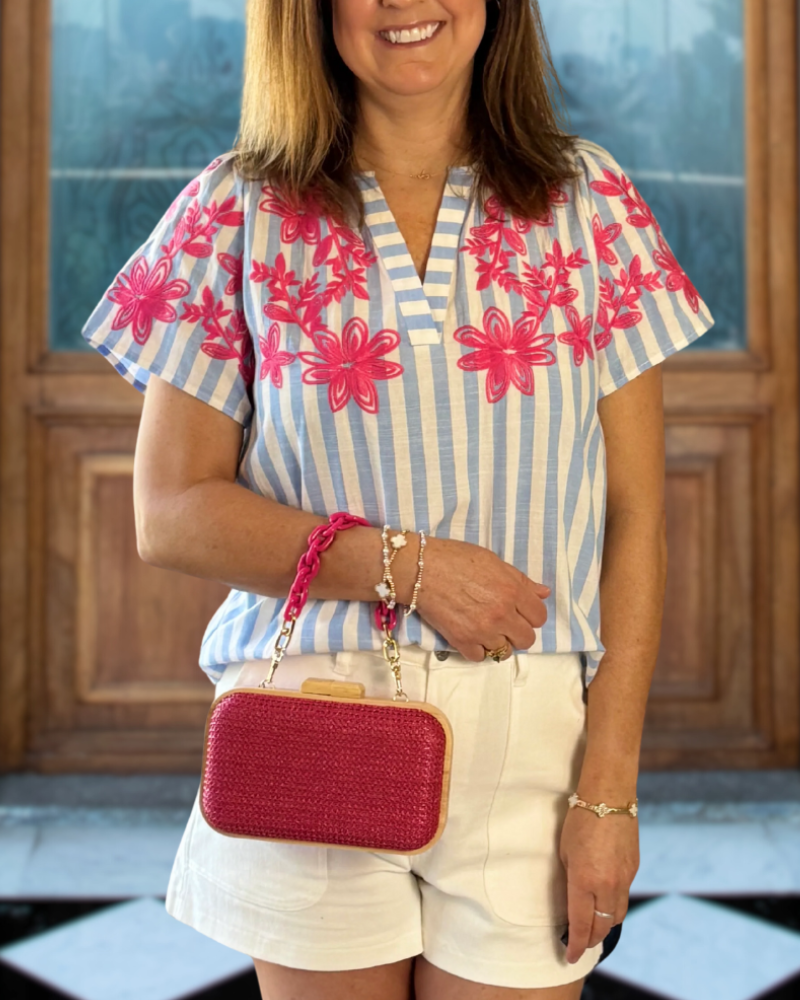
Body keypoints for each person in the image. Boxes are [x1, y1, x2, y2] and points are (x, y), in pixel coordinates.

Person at [81, 1, 714, 997]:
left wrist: (607, 793)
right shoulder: (234, 208)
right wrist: (408, 565)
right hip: (312, 721)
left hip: (533, 744)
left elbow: (635, 520)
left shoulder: (589, 203)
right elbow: (168, 513)